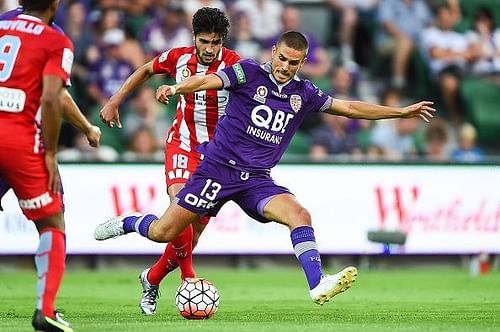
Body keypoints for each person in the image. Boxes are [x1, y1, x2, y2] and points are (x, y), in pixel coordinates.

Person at [94, 31, 436, 305]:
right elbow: (208, 81)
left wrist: (400, 112)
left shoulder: (305, 92)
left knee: (300, 215)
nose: (286, 66)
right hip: (217, 171)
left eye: (294, 63)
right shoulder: (248, 72)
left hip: (256, 180)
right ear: (274, 52)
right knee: (164, 233)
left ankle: (317, 284)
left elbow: (349, 107)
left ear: (303, 63)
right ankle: (127, 222)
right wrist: (176, 86)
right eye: (282, 58)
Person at [98, 7, 240, 315]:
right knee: (182, 210)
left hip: (216, 156)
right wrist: (115, 99)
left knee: (191, 231)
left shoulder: (236, 66)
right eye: (204, 41)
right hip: (183, 144)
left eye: (216, 42)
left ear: (223, 42)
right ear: (194, 37)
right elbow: (146, 69)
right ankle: (189, 279)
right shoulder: (178, 58)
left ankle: (150, 278)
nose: (209, 48)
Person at [0, 0, 75, 331]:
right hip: (19, 137)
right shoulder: (56, 40)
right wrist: (50, 152)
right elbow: (50, 98)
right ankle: (45, 310)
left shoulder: (1, 25)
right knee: (52, 221)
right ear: (54, 3)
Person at [0, 0, 102, 225]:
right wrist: (87, 127)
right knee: (53, 218)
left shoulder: (3, 23)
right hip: (24, 138)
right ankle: (54, 259)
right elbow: (55, 97)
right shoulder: (53, 36)